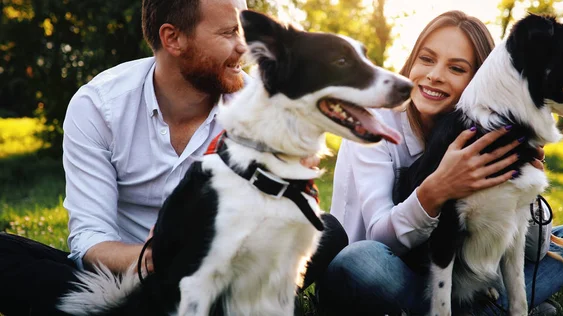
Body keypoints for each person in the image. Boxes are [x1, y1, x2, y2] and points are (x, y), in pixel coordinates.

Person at [0, 0, 347, 315]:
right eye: (229, 32)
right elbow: (91, 239)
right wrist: (155, 259)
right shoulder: (98, 107)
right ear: (173, 39)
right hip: (122, 275)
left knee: (326, 230)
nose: (244, 47)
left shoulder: (261, 111)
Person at [318, 10, 563, 316]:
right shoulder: (374, 124)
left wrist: (525, 190)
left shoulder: (486, 133)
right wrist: (437, 189)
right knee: (361, 259)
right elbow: (382, 240)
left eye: (456, 68)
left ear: (481, 77)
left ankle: (474, 308)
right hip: (372, 272)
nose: (435, 75)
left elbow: (533, 249)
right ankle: (488, 311)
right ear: (411, 61)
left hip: (453, 277)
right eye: (426, 58)